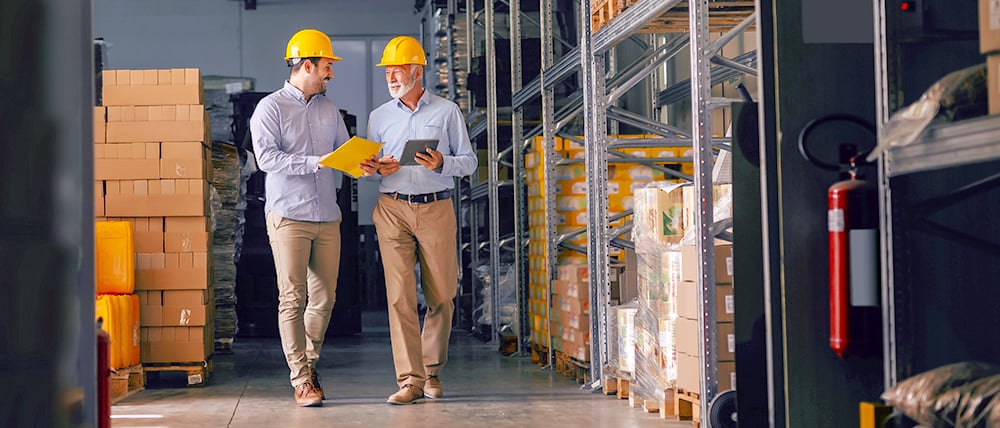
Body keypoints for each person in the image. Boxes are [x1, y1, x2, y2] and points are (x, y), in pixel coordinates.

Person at [250, 28, 368, 407]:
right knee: (292, 298)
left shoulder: (330, 110)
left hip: (327, 215)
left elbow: (344, 155)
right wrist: (315, 162)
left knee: (325, 298)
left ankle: (309, 364)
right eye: (327, 66)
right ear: (307, 65)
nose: (331, 74)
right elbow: (267, 160)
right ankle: (301, 379)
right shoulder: (270, 109)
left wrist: (368, 164)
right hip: (289, 215)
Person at [360, 35, 477, 405]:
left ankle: (432, 371)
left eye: (398, 70)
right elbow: (370, 169)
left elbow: (470, 162)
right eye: (388, 71)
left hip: (436, 206)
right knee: (399, 296)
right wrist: (378, 168)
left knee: (442, 293)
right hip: (392, 208)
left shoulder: (446, 111)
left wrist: (444, 162)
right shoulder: (379, 117)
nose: (392, 77)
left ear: (418, 70)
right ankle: (410, 379)